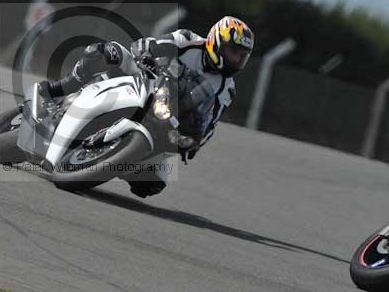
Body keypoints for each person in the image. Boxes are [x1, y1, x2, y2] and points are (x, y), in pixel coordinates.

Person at [39, 16, 255, 198]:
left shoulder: (226, 88)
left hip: (167, 116)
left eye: (242, 56)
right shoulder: (188, 40)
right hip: (146, 79)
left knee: (151, 184)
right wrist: (146, 56)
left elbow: (210, 123)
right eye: (233, 51)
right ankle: (61, 89)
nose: (236, 60)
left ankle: (103, 157)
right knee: (107, 52)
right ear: (216, 41)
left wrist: (194, 143)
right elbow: (147, 45)